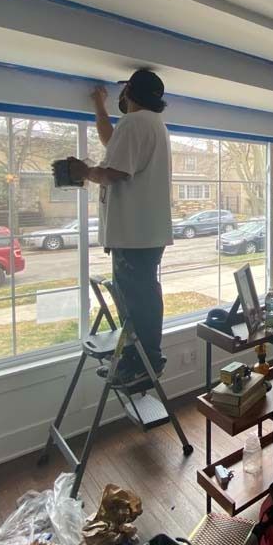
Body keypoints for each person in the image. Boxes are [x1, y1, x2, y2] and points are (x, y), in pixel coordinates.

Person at [67, 69, 173, 385]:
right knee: (136, 298)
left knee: (138, 301)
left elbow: (116, 172)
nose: (120, 99)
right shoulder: (151, 125)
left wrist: (84, 171)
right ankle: (134, 360)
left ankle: (147, 363)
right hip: (143, 232)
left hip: (134, 234)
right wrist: (100, 108)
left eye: (122, 93)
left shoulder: (135, 123)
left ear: (128, 93)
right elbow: (112, 143)